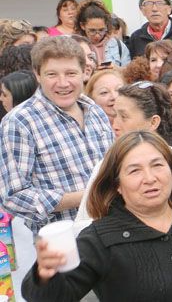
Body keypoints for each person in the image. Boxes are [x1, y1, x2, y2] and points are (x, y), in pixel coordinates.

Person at [22, 131, 172, 301]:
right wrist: (45, 275)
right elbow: (56, 297)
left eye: (157, 165)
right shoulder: (100, 239)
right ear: (117, 184)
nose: (150, 178)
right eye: (134, 171)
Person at [0, 37, 115, 233]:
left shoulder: (95, 110)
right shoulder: (20, 121)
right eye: (52, 74)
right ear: (37, 74)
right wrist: (86, 196)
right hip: (66, 242)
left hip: (113, 229)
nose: (63, 83)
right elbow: (14, 196)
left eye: (70, 73)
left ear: (84, 72)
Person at [75, 81, 172, 226]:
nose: (115, 125)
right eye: (115, 115)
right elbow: (84, 224)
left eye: (124, 117)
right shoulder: (107, 165)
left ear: (153, 122)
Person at [75, 0, 131, 66]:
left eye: (101, 30)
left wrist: (116, 69)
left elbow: (128, 72)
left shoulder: (117, 44)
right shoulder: (75, 46)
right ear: (82, 25)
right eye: (92, 31)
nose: (97, 35)